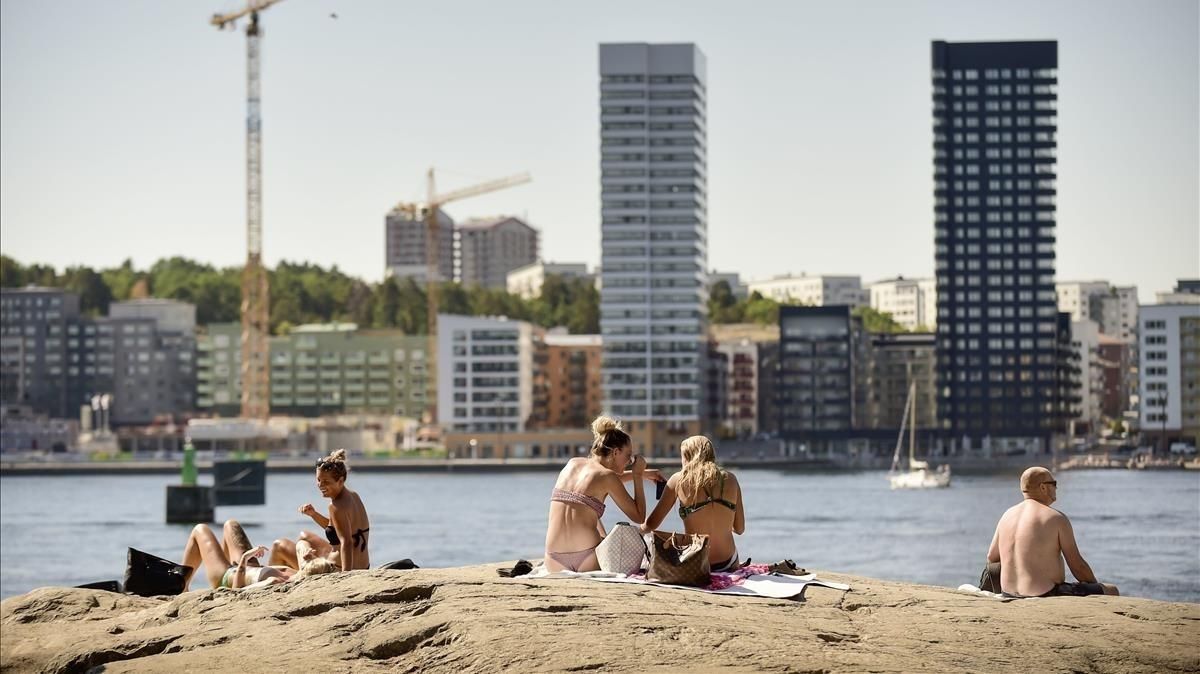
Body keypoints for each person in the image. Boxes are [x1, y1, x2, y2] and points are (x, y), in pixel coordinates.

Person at [543, 416, 662, 572]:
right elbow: (639, 517)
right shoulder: (607, 477)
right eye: (628, 456)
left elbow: (599, 480)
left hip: (553, 559)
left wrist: (645, 474)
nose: (629, 461)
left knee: (589, 511)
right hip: (586, 556)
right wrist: (638, 476)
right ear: (615, 452)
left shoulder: (573, 463)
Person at [986, 466, 1119, 598]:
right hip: (1045, 593)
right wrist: (1093, 586)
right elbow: (1077, 566)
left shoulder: (1007, 515)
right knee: (1112, 590)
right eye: (1054, 483)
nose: (1056, 488)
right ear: (1043, 487)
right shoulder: (1056, 518)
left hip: (1008, 593)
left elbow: (992, 558)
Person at [641, 435, 745, 572]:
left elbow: (651, 525)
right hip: (728, 562)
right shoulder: (731, 478)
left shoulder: (678, 480)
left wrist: (637, 531)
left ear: (688, 457)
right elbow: (739, 529)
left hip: (695, 560)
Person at [275, 449, 372, 572]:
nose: (320, 485)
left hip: (339, 568)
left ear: (341, 481)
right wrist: (314, 514)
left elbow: (346, 542)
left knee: (284, 545)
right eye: (318, 480)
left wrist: (346, 576)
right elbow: (340, 528)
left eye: (326, 482)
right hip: (364, 566)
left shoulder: (336, 506)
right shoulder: (354, 496)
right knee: (304, 535)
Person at [181, 519, 336, 591]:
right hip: (251, 567)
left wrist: (244, 559)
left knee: (200, 529)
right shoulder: (296, 573)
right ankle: (221, 561)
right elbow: (302, 544)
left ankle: (182, 587)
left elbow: (237, 591)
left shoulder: (274, 581)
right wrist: (307, 553)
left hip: (228, 576)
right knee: (231, 524)